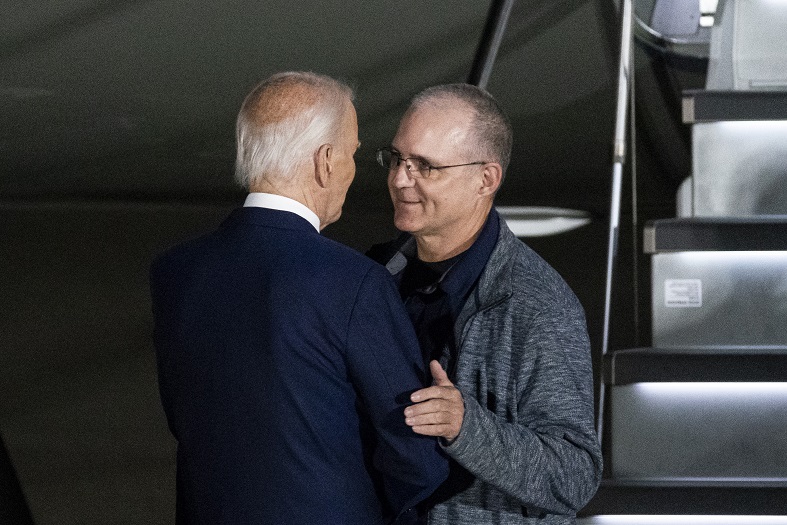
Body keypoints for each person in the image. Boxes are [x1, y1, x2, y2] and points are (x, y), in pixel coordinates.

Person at [150, 71, 448, 525]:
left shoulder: (175, 272)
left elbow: (188, 422)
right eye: (352, 154)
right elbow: (414, 456)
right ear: (325, 161)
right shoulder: (356, 282)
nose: (352, 168)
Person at [367, 83, 602, 524]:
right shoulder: (373, 276)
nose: (400, 179)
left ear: (486, 179)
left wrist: (465, 427)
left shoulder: (538, 304)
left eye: (426, 166)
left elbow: (574, 476)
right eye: (397, 158)